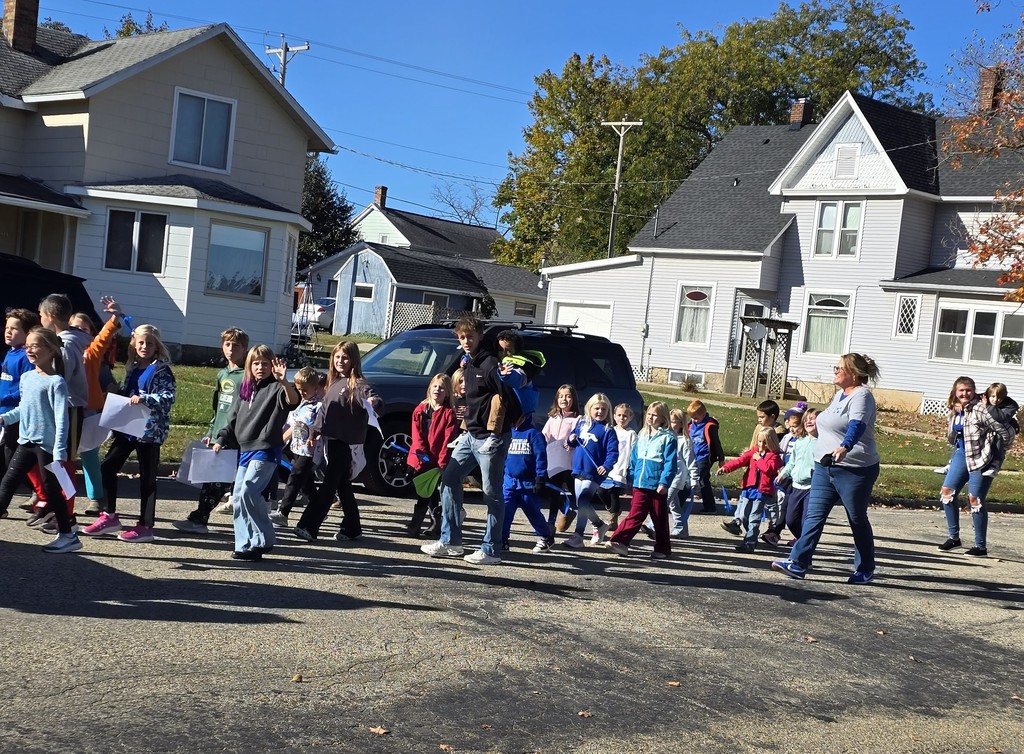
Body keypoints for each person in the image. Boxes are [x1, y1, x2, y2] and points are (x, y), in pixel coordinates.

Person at [773, 353, 882, 584]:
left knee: (856, 519)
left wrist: (845, 446)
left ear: (854, 373)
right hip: (824, 466)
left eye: (839, 368)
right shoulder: (839, 395)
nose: (835, 371)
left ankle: (865, 568)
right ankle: (798, 563)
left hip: (855, 469)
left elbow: (857, 426)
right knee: (814, 516)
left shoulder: (862, 396)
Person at [420, 315, 519, 565]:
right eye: (462, 337)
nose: (466, 341)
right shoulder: (468, 363)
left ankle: (491, 550)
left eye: (470, 337)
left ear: (480, 336)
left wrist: (507, 426)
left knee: (491, 492)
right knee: (449, 479)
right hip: (470, 436)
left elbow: (507, 396)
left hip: (491, 439)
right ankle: (451, 541)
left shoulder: (489, 364)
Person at [85, 324, 176, 542]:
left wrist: (146, 398)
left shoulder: (161, 370)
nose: (144, 347)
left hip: (149, 431)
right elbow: (129, 394)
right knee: (108, 466)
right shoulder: (133, 368)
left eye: (150, 343)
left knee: (147, 478)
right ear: (134, 345)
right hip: (127, 428)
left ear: (157, 346)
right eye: (141, 343)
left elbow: (168, 397)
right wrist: (117, 393)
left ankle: (146, 526)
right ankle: (109, 515)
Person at [213, 346, 299, 561]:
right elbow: (233, 421)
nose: (261, 367)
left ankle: (263, 540)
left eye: (265, 363)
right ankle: (244, 544)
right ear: (249, 366)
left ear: (272, 366)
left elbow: (293, 401)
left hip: (266, 449)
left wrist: (284, 382)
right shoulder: (245, 389)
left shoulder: (277, 388)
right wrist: (221, 440)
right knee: (239, 497)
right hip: (246, 449)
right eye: (256, 363)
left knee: (249, 491)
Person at [0, 328, 81, 553]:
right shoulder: (27, 378)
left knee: (52, 489)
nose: (30, 350)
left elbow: (62, 419)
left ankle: (68, 535)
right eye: (27, 346)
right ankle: (68, 535)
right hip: (26, 441)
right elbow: (23, 408)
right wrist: (5, 418)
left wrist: (59, 451)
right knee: (7, 482)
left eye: (35, 345)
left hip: (47, 446)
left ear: (51, 350)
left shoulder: (56, 382)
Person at [295, 341, 380, 542]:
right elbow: (324, 412)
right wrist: (315, 432)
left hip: (347, 444)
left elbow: (371, 397)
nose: (340, 361)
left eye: (345, 358)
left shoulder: (358, 384)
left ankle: (308, 526)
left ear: (353, 360)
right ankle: (352, 527)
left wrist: (374, 402)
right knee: (342, 485)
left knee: (328, 486)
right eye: (338, 357)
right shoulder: (333, 382)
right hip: (331, 442)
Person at [172, 328, 249, 534]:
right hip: (218, 433)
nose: (231, 349)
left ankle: (200, 518)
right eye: (227, 344)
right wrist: (210, 431)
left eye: (236, 345)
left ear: (245, 349)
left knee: (219, 482)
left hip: (234, 436)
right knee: (213, 480)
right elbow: (217, 407)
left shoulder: (246, 376)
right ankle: (200, 518)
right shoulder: (222, 374)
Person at [934, 376, 1015, 557]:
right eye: (961, 390)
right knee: (947, 493)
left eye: (968, 390)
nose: (965, 393)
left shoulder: (980, 408)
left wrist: (997, 449)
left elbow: (1007, 431)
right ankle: (954, 538)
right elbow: (953, 436)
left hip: (981, 459)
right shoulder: (955, 409)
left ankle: (980, 546)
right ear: (955, 392)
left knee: (975, 499)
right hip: (961, 455)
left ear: (974, 391)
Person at [37, 294, 91, 523]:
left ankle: (67, 513)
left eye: (41, 315)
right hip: (57, 408)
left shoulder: (66, 344)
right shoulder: (61, 340)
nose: (40, 320)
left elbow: (60, 380)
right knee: (48, 459)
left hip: (70, 409)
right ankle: (53, 506)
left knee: (64, 462)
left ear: (50, 316)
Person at [70, 296, 125, 517]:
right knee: (58, 456)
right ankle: (50, 497)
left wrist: (115, 317)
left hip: (88, 411)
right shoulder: (59, 350)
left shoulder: (90, 353)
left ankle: (96, 498)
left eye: (84, 329)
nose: (79, 332)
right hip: (65, 410)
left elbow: (104, 337)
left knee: (89, 456)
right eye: (75, 328)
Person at [604, 402, 678, 559]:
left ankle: (663, 548)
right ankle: (620, 541)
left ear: (663, 418)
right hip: (640, 483)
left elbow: (670, 463)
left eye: (655, 415)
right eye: (649, 414)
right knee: (636, 513)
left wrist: (664, 482)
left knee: (659, 517)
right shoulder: (642, 434)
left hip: (657, 484)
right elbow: (634, 458)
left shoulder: (668, 438)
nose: (650, 417)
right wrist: (631, 476)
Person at [270, 367, 325, 529]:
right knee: (305, 482)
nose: (301, 393)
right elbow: (291, 424)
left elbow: (323, 426)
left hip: (309, 450)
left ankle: (283, 512)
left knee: (295, 477)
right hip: (296, 447)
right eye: (299, 389)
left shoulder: (319, 406)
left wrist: (316, 437)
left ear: (315, 388)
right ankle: (319, 508)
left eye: (305, 390)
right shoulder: (299, 404)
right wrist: (280, 441)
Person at [404, 373, 458, 537]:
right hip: (421, 458)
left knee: (428, 490)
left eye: (442, 388)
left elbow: (448, 440)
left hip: (436, 461)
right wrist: (421, 454)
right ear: (429, 388)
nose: (437, 390)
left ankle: (417, 524)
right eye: (435, 386)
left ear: (447, 392)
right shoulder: (420, 410)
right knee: (426, 489)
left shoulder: (448, 413)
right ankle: (435, 523)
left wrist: (442, 462)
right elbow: (417, 435)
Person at [499, 399, 555, 554]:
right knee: (505, 512)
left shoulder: (534, 434)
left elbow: (541, 458)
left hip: (528, 483)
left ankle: (545, 536)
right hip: (509, 482)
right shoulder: (509, 433)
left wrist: (541, 477)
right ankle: (502, 539)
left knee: (533, 512)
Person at [715, 426, 783, 553]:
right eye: (759, 441)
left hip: (762, 491)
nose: (761, 445)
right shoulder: (754, 452)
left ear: (771, 442)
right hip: (749, 487)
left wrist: (759, 459)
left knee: (754, 517)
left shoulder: (774, 457)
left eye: (765, 443)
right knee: (743, 515)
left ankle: (749, 542)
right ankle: (752, 536)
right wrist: (726, 468)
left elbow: (768, 469)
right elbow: (740, 461)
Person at [564, 392, 618, 549]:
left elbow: (613, 453)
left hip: (594, 473)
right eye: (597, 408)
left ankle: (578, 535)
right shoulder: (582, 424)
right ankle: (599, 524)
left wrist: (606, 466)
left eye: (604, 409)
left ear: (608, 411)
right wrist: (570, 440)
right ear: (589, 408)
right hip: (578, 469)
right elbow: (573, 440)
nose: (600, 412)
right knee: (581, 503)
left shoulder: (608, 430)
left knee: (583, 501)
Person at [722, 399, 783, 536]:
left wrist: (759, 459)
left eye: (762, 417)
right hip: (754, 473)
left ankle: (773, 529)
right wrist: (728, 467)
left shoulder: (779, 431)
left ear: (772, 417)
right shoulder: (759, 428)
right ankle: (739, 523)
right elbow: (750, 450)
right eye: (758, 417)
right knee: (745, 502)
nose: (759, 420)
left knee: (770, 505)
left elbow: (772, 458)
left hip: (768, 481)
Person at [764, 408, 816, 546]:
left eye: (796, 426)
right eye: (791, 426)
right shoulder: (798, 441)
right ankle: (801, 539)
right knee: (791, 519)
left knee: (805, 518)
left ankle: (803, 546)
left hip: (811, 486)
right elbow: (792, 462)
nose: (792, 429)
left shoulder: (820, 442)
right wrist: (783, 473)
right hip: (795, 485)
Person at [1, 309, 39, 482]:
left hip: (15, 415)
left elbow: (25, 390)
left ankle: (40, 491)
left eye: (14, 328)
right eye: (7, 327)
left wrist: (4, 399)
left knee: (11, 461)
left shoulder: (26, 357)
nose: (8, 331)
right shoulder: (10, 352)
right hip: (3, 414)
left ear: (28, 333)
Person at [541, 384, 579, 532]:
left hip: (568, 462)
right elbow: (544, 436)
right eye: (561, 396)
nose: (564, 399)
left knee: (572, 494)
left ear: (574, 399)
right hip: (552, 461)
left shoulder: (577, 419)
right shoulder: (553, 418)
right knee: (549, 489)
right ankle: (565, 511)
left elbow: (576, 440)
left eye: (568, 396)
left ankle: (551, 522)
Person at [596, 403, 636, 535]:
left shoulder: (631, 434)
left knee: (614, 493)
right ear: (614, 416)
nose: (621, 418)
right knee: (601, 491)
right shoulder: (610, 430)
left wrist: (630, 468)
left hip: (620, 468)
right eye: (619, 415)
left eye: (625, 416)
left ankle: (613, 519)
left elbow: (634, 452)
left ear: (630, 417)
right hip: (608, 467)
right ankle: (613, 509)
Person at [666, 408, 699, 539]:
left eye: (673, 422)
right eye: (669, 421)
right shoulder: (667, 438)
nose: (670, 424)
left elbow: (691, 462)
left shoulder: (684, 441)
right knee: (674, 505)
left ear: (681, 424)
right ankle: (681, 528)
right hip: (667, 477)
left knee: (664, 501)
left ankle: (653, 526)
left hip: (678, 478)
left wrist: (694, 479)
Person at [687, 400, 724, 514]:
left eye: (696, 418)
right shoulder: (690, 425)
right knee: (703, 481)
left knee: (695, 478)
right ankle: (710, 507)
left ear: (703, 415)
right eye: (692, 417)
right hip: (693, 456)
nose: (694, 420)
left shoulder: (709, 426)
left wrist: (721, 459)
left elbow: (716, 443)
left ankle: (680, 501)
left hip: (705, 457)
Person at [979, 382, 1019, 477]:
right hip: (988, 427)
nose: (995, 400)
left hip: (1006, 430)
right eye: (993, 396)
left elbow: (1001, 417)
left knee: (999, 441)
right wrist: (957, 403)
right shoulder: (983, 397)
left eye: (999, 398)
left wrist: (988, 406)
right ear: (988, 394)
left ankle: (994, 466)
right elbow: (968, 398)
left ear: (1004, 397)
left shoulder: (1011, 405)